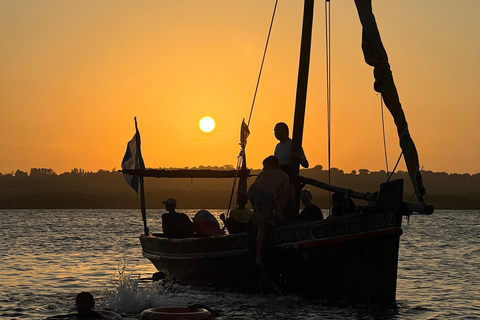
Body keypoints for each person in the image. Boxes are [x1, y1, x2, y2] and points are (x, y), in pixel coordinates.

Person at [247, 155, 289, 268]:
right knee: (262, 229)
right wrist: (280, 211)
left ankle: (256, 214)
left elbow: (255, 192)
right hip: (263, 196)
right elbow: (284, 195)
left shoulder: (263, 173)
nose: (263, 167)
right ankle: (258, 258)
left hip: (252, 191)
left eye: (264, 164)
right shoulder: (284, 176)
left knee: (264, 213)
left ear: (271, 163)